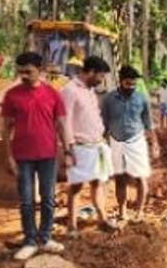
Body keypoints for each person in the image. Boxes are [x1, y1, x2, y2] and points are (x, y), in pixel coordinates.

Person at [2, 52, 69, 260]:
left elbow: (61, 125)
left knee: (48, 198)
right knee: (27, 200)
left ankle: (46, 237)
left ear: (40, 70)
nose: (23, 75)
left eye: (28, 71)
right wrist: (8, 157)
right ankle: (30, 240)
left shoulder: (53, 94)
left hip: (48, 154)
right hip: (22, 156)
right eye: (20, 71)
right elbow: (6, 129)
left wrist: (67, 152)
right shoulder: (12, 95)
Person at [61, 56, 115, 233]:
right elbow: (64, 121)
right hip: (79, 146)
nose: (102, 80)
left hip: (96, 145)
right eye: (100, 76)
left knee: (97, 183)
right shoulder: (70, 90)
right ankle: (72, 226)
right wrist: (68, 150)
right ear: (91, 72)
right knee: (76, 186)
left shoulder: (90, 90)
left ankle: (102, 219)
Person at [102, 66, 160, 224]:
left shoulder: (141, 98)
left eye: (134, 84)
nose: (132, 87)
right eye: (128, 84)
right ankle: (122, 211)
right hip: (116, 142)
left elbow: (149, 123)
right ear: (120, 81)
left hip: (136, 141)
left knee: (141, 177)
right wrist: (101, 145)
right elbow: (104, 124)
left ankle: (140, 212)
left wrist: (154, 143)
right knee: (119, 177)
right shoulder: (108, 100)